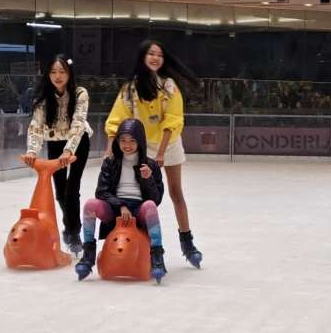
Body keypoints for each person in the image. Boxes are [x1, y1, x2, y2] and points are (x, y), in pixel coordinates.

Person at [105, 39, 203, 268]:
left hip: (168, 144)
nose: (155, 58)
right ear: (142, 57)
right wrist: (111, 147)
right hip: (142, 146)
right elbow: (117, 119)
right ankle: (146, 244)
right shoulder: (130, 88)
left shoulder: (169, 85)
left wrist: (160, 154)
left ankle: (187, 240)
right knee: (143, 197)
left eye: (159, 54)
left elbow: (173, 119)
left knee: (176, 192)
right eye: (151, 53)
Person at [75, 119, 167, 283]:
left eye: (132, 141)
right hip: (115, 207)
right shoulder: (110, 162)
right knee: (90, 205)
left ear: (140, 141)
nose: (127, 145)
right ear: (117, 141)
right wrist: (121, 205)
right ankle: (88, 255)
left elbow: (156, 199)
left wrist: (148, 179)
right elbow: (101, 192)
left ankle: (157, 258)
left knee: (151, 206)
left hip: (139, 209)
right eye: (123, 140)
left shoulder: (150, 165)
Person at [19, 55, 92, 255]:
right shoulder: (43, 97)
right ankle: (70, 227)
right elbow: (36, 125)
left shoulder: (80, 93)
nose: (57, 76)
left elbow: (78, 124)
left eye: (62, 72)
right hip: (54, 142)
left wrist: (69, 150)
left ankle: (73, 233)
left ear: (69, 74)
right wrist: (32, 151)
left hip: (78, 143)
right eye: (53, 72)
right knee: (60, 191)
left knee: (72, 188)